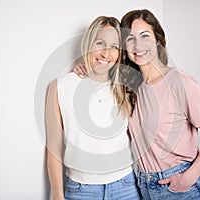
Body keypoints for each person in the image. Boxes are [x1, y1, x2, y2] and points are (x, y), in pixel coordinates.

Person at [74, 9, 200, 200]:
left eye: (145, 36)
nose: (138, 45)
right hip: (144, 187)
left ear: (158, 40)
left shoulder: (180, 82)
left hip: (180, 186)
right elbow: (103, 64)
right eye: (130, 39)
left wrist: (191, 175)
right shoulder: (131, 88)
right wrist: (85, 64)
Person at [45, 16, 140, 200]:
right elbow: (54, 148)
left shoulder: (125, 86)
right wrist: (57, 194)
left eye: (114, 47)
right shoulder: (60, 87)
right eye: (100, 43)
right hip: (81, 190)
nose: (106, 53)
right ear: (88, 44)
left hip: (126, 187)